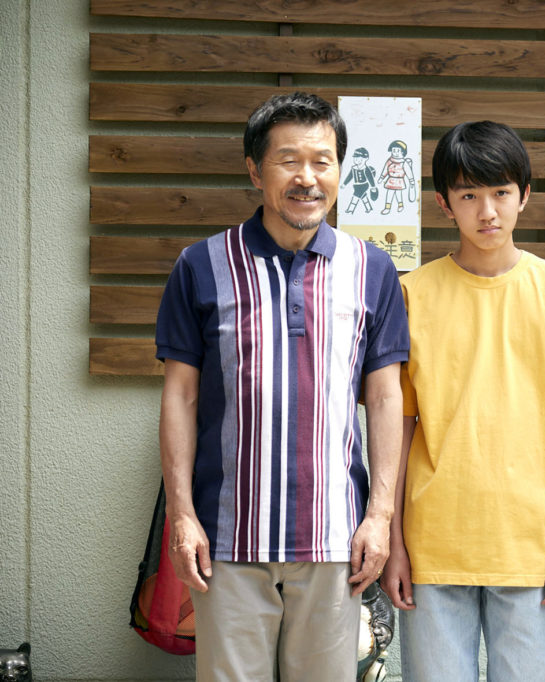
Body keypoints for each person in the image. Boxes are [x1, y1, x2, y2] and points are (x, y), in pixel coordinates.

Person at [155, 92, 409, 681]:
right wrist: (182, 515)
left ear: (340, 170)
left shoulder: (372, 269)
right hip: (226, 537)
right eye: (288, 160)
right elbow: (180, 397)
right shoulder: (200, 265)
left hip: (334, 537)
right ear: (255, 170)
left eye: (322, 161)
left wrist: (379, 515)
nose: (307, 178)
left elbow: (385, 398)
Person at [382, 120, 545, 682]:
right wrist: (394, 541)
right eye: (469, 195)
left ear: (524, 195)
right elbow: (399, 427)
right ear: (443, 203)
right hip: (432, 542)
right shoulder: (410, 294)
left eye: (501, 192)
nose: (488, 212)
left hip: (532, 544)